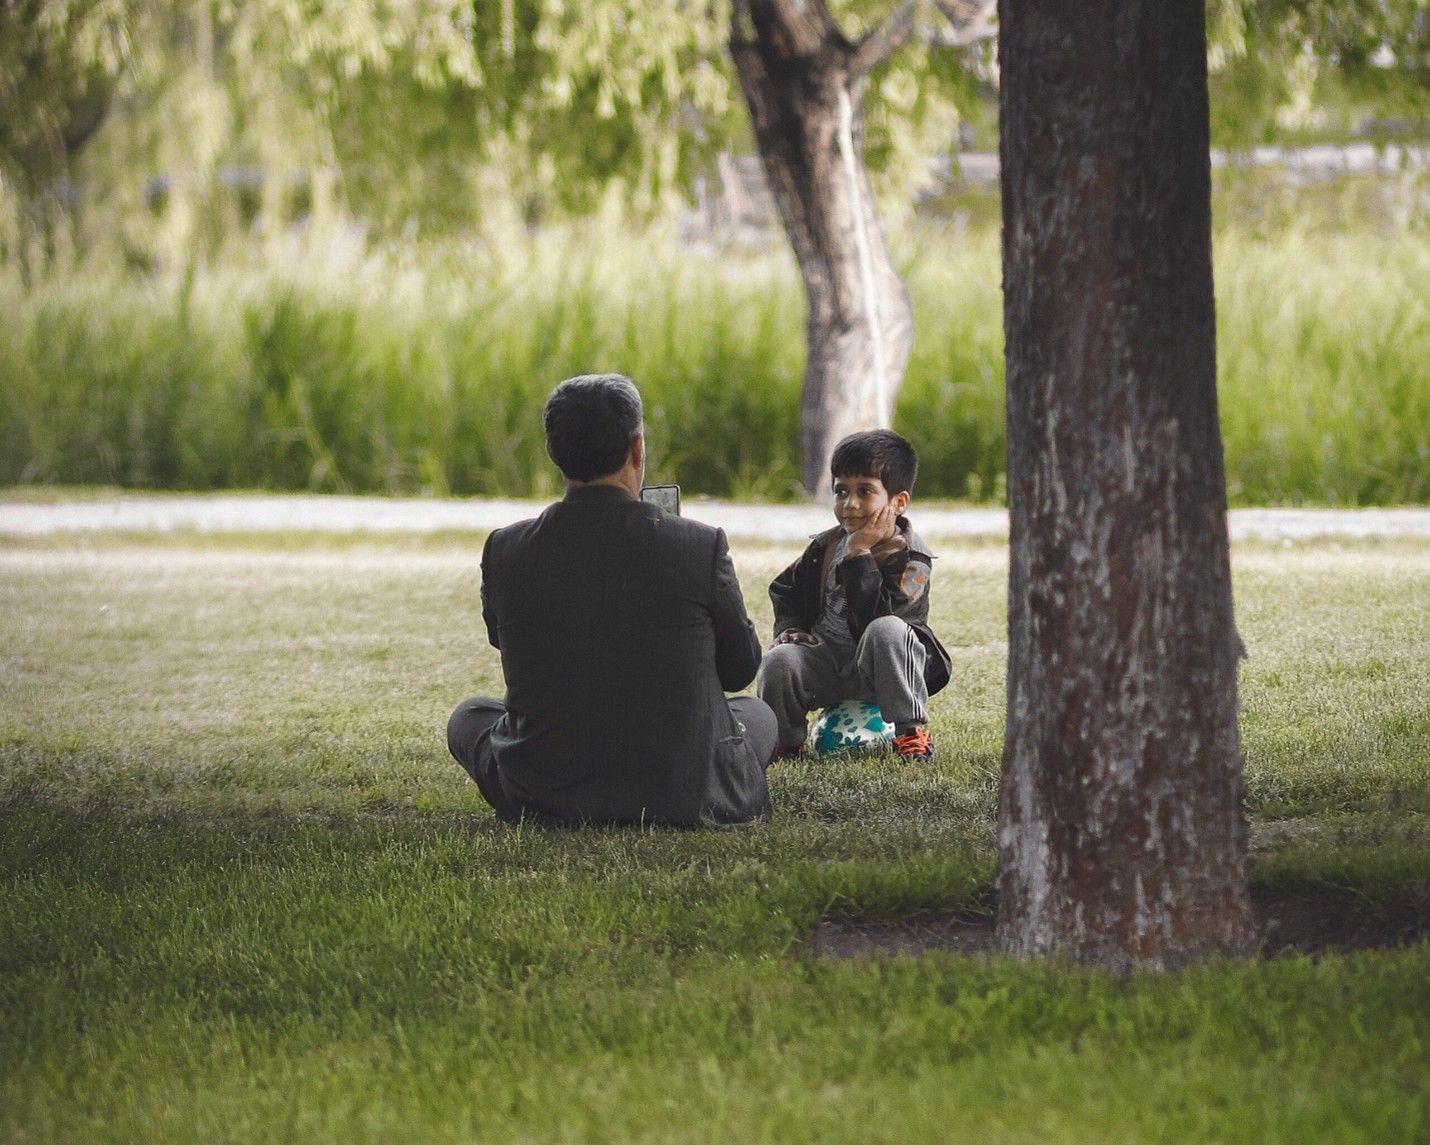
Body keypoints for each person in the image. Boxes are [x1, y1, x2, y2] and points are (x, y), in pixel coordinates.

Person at [447, 373, 778, 826]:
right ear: (637, 448)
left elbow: (509, 644)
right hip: (686, 793)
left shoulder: (505, 548)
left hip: (545, 793)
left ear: (554, 454)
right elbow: (741, 669)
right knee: (756, 713)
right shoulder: (699, 545)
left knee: (469, 716)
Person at [757, 429, 951, 762]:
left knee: (888, 630)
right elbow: (784, 587)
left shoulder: (913, 561)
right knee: (779, 659)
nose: (850, 504)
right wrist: (790, 627)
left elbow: (878, 622)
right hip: (828, 663)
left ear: (898, 502)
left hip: (881, 673)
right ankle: (785, 743)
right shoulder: (825, 546)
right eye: (841, 491)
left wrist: (859, 554)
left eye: (865, 492)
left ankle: (911, 734)